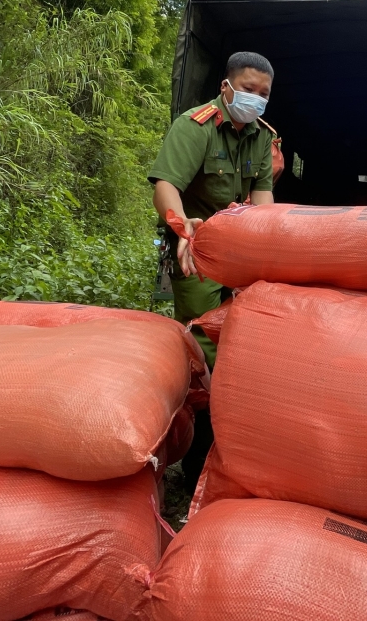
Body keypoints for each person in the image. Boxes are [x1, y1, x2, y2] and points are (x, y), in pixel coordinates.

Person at [148, 51, 276, 491]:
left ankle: (236, 448)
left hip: (239, 251)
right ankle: (197, 458)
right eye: (247, 89)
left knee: (250, 339)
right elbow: (166, 184)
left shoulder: (261, 138)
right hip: (197, 250)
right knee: (205, 349)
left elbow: (263, 203)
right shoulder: (196, 125)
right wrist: (182, 229)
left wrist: (270, 258)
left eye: (263, 94)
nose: (254, 99)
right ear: (226, 87)